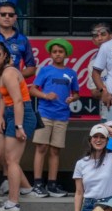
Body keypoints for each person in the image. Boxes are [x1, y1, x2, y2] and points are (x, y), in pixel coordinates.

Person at [0, 41, 36, 211]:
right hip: (9, 113)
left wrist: (18, 126)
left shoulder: (8, 72)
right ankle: (26, 188)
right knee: (2, 156)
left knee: (12, 160)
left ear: (6, 56)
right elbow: (4, 97)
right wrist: (0, 116)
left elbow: (18, 101)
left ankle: (13, 202)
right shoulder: (0, 73)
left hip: (20, 114)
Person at [30, 38, 79, 197]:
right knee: (41, 148)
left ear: (66, 54)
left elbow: (76, 93)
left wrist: (73, 98)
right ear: (51, 54)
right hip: (45, 113)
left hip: (62, 115)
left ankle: (51, 184)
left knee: (55, 150)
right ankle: (37, 184)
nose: (57, 54)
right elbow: (33, 90)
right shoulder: (45, 70)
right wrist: (45, 95)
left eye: (60, 52)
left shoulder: (72, 73)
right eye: (55, 52)